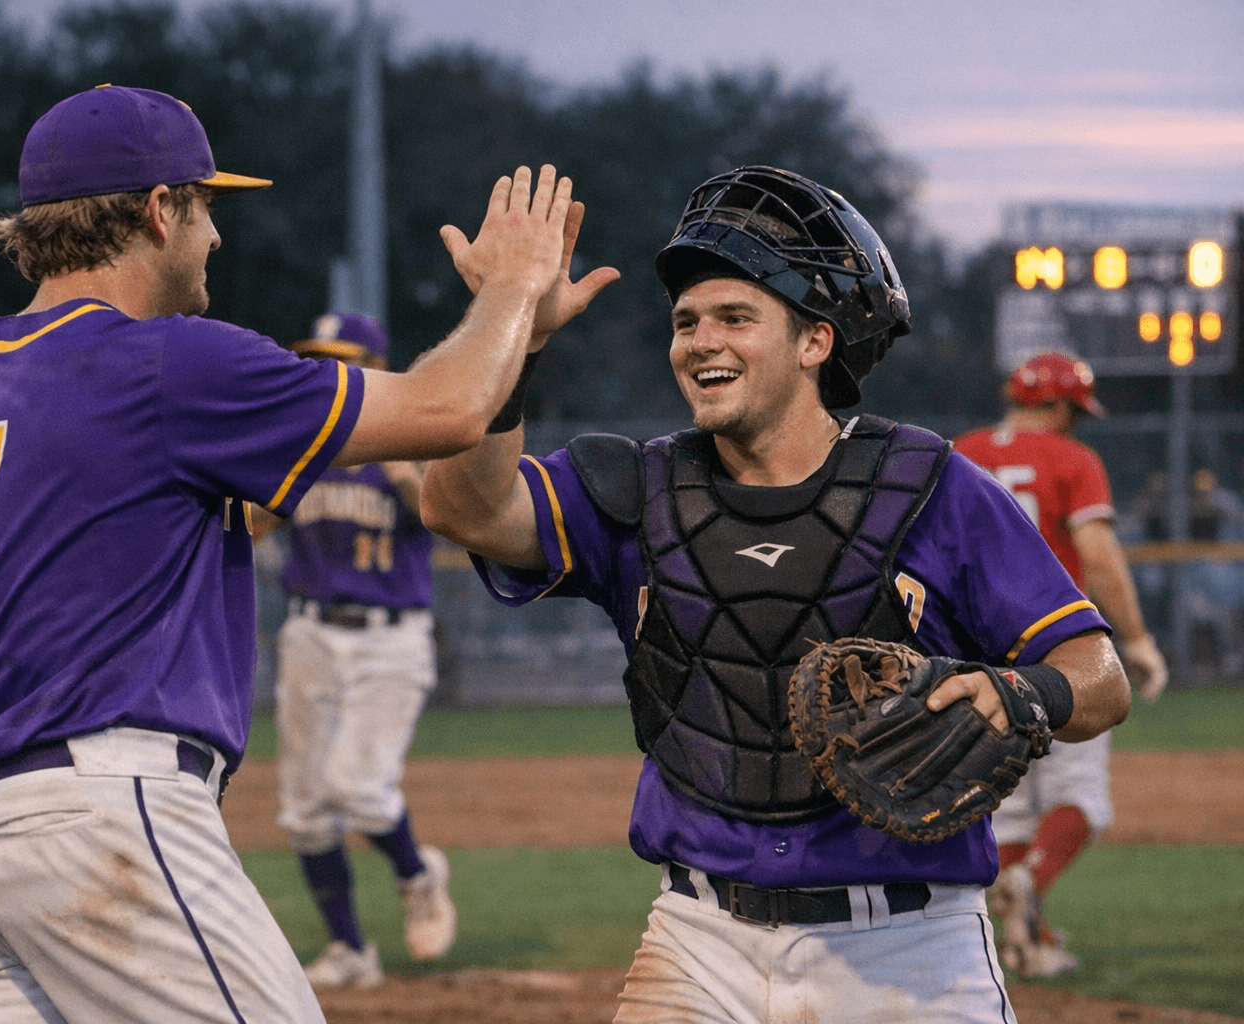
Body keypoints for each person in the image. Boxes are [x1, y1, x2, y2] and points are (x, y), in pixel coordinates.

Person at [0, 82, 606, 1024]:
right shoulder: (172, 361)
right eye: (206, 206)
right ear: (157, 210)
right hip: (103, 820)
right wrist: (514, 292)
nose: (215, 235)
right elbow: (450, 410)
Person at [421, 165, 1132, 1023]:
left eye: (734, 318)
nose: (700, 341)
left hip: (910, 949)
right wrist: (514, 326)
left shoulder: (932, 487)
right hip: (697, 939)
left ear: (815, 341)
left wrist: (1023, 690)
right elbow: (463, 507)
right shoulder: (635, 488)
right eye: (686, 322)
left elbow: (1099, 674)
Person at [257, 311, 454, 990]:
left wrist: (399, 463)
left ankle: (418, 875)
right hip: (310, 633)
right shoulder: (301, 445)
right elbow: (250, 526)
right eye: (319, 358)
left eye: (344, 358)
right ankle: (350, 950)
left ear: (376, 363)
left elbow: (447, 515)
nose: (329, 370)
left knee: (357, 788)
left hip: (389, 639)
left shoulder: (414, 433)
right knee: (306, 809)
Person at [956, 353, 1169, 977]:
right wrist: (1136, 640)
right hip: (1056, 651)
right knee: (1079, 798)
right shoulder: (1071, 458)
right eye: (1074, 411)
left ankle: (1029, 939)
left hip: (973, 657)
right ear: (1060, 406)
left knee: (1012, 806)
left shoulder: (958, 453)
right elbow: (1097, 556)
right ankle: (1029, 882)